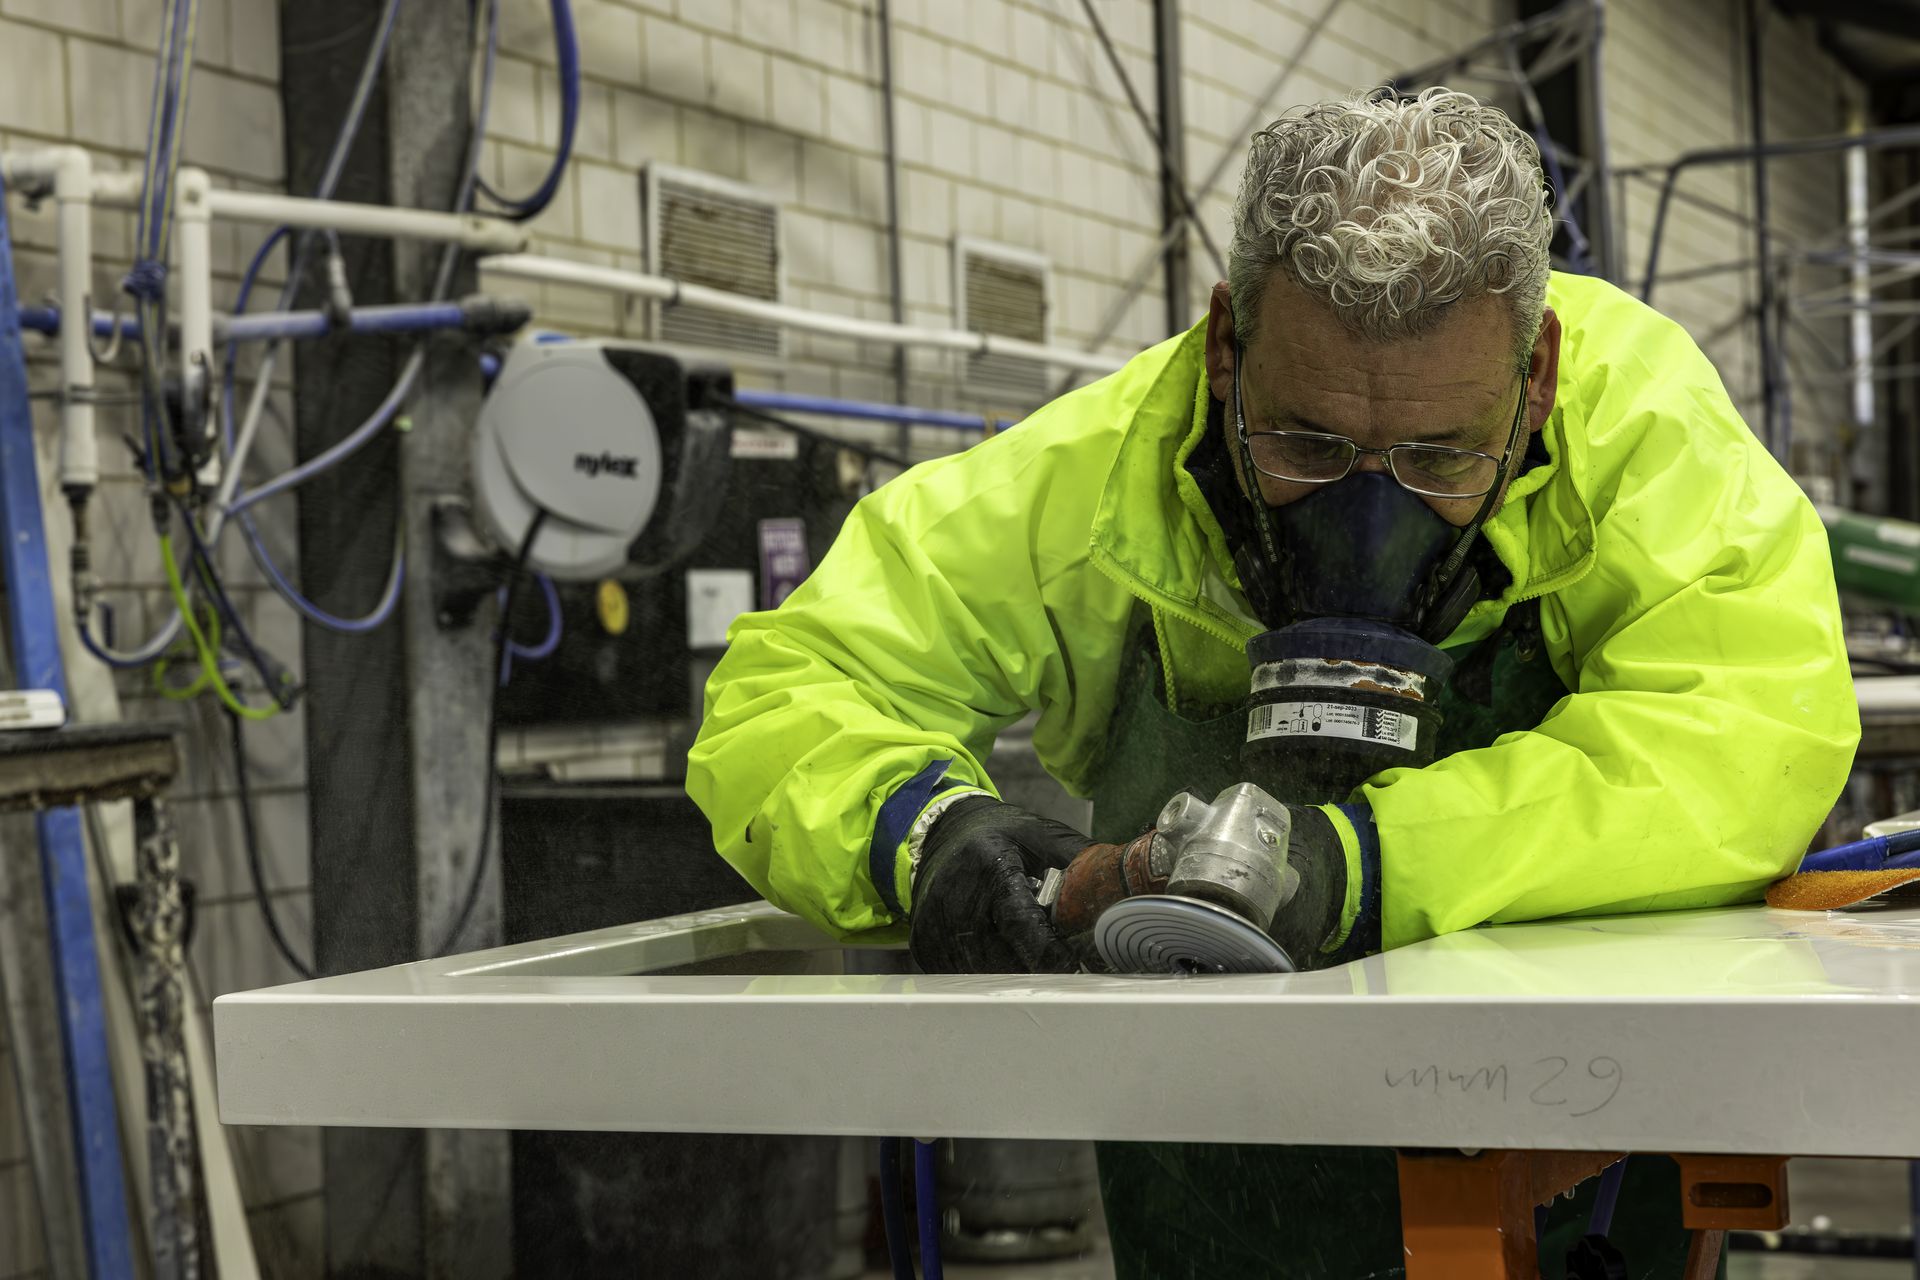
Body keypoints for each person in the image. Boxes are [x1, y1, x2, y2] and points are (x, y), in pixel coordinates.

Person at [688, 87, 1859, 1278]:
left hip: (1578, 1177)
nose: (1369, 508)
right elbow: (791, 684)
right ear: (1225, 347)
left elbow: (1749, 725)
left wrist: (1360, 865)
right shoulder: (1112, 476)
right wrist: (923, 831)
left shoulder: (1643, 434)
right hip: (1215, 1185)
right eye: (1305, 443)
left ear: (1539, 374)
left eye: (1439, 456)